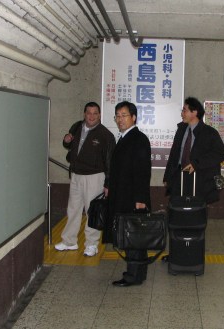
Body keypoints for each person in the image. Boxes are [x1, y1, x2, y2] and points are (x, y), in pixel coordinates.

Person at [55, 102, 115, 257]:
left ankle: (91, 244)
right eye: (89, 113)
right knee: (73, 209)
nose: (92, 116)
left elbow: (110, 161)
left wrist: (108, 183)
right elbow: (68, 145)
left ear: (99, 115)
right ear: (84, 113)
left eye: (95, 113)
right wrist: (66, 140)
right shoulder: (76, 126)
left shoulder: (105, 135)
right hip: (76, 174)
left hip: (94, 177)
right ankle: (69, 241)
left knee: (92, 211)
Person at [103, 101, 152, 287]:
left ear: (134, 117)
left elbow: (142, 172)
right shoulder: (124, 138)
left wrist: (140, 200)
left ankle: (133, 276)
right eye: (117, 115)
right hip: (123, 196)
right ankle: (139, 273)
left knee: (133, 237)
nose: (120, 119)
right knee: (134, 237)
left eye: (124, 115)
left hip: (132, 199)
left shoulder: (138, 139)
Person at [163, 96, 224, 203]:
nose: (182, 113)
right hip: (179, 177)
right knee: (177, 208)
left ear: (194, 112)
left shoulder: (209, 133)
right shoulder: (181, 130)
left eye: (184, 110)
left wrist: (196, 164)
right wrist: (167, 176)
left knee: (197, 210)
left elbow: (220, 153)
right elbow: (174, 154)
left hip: (200, 178)